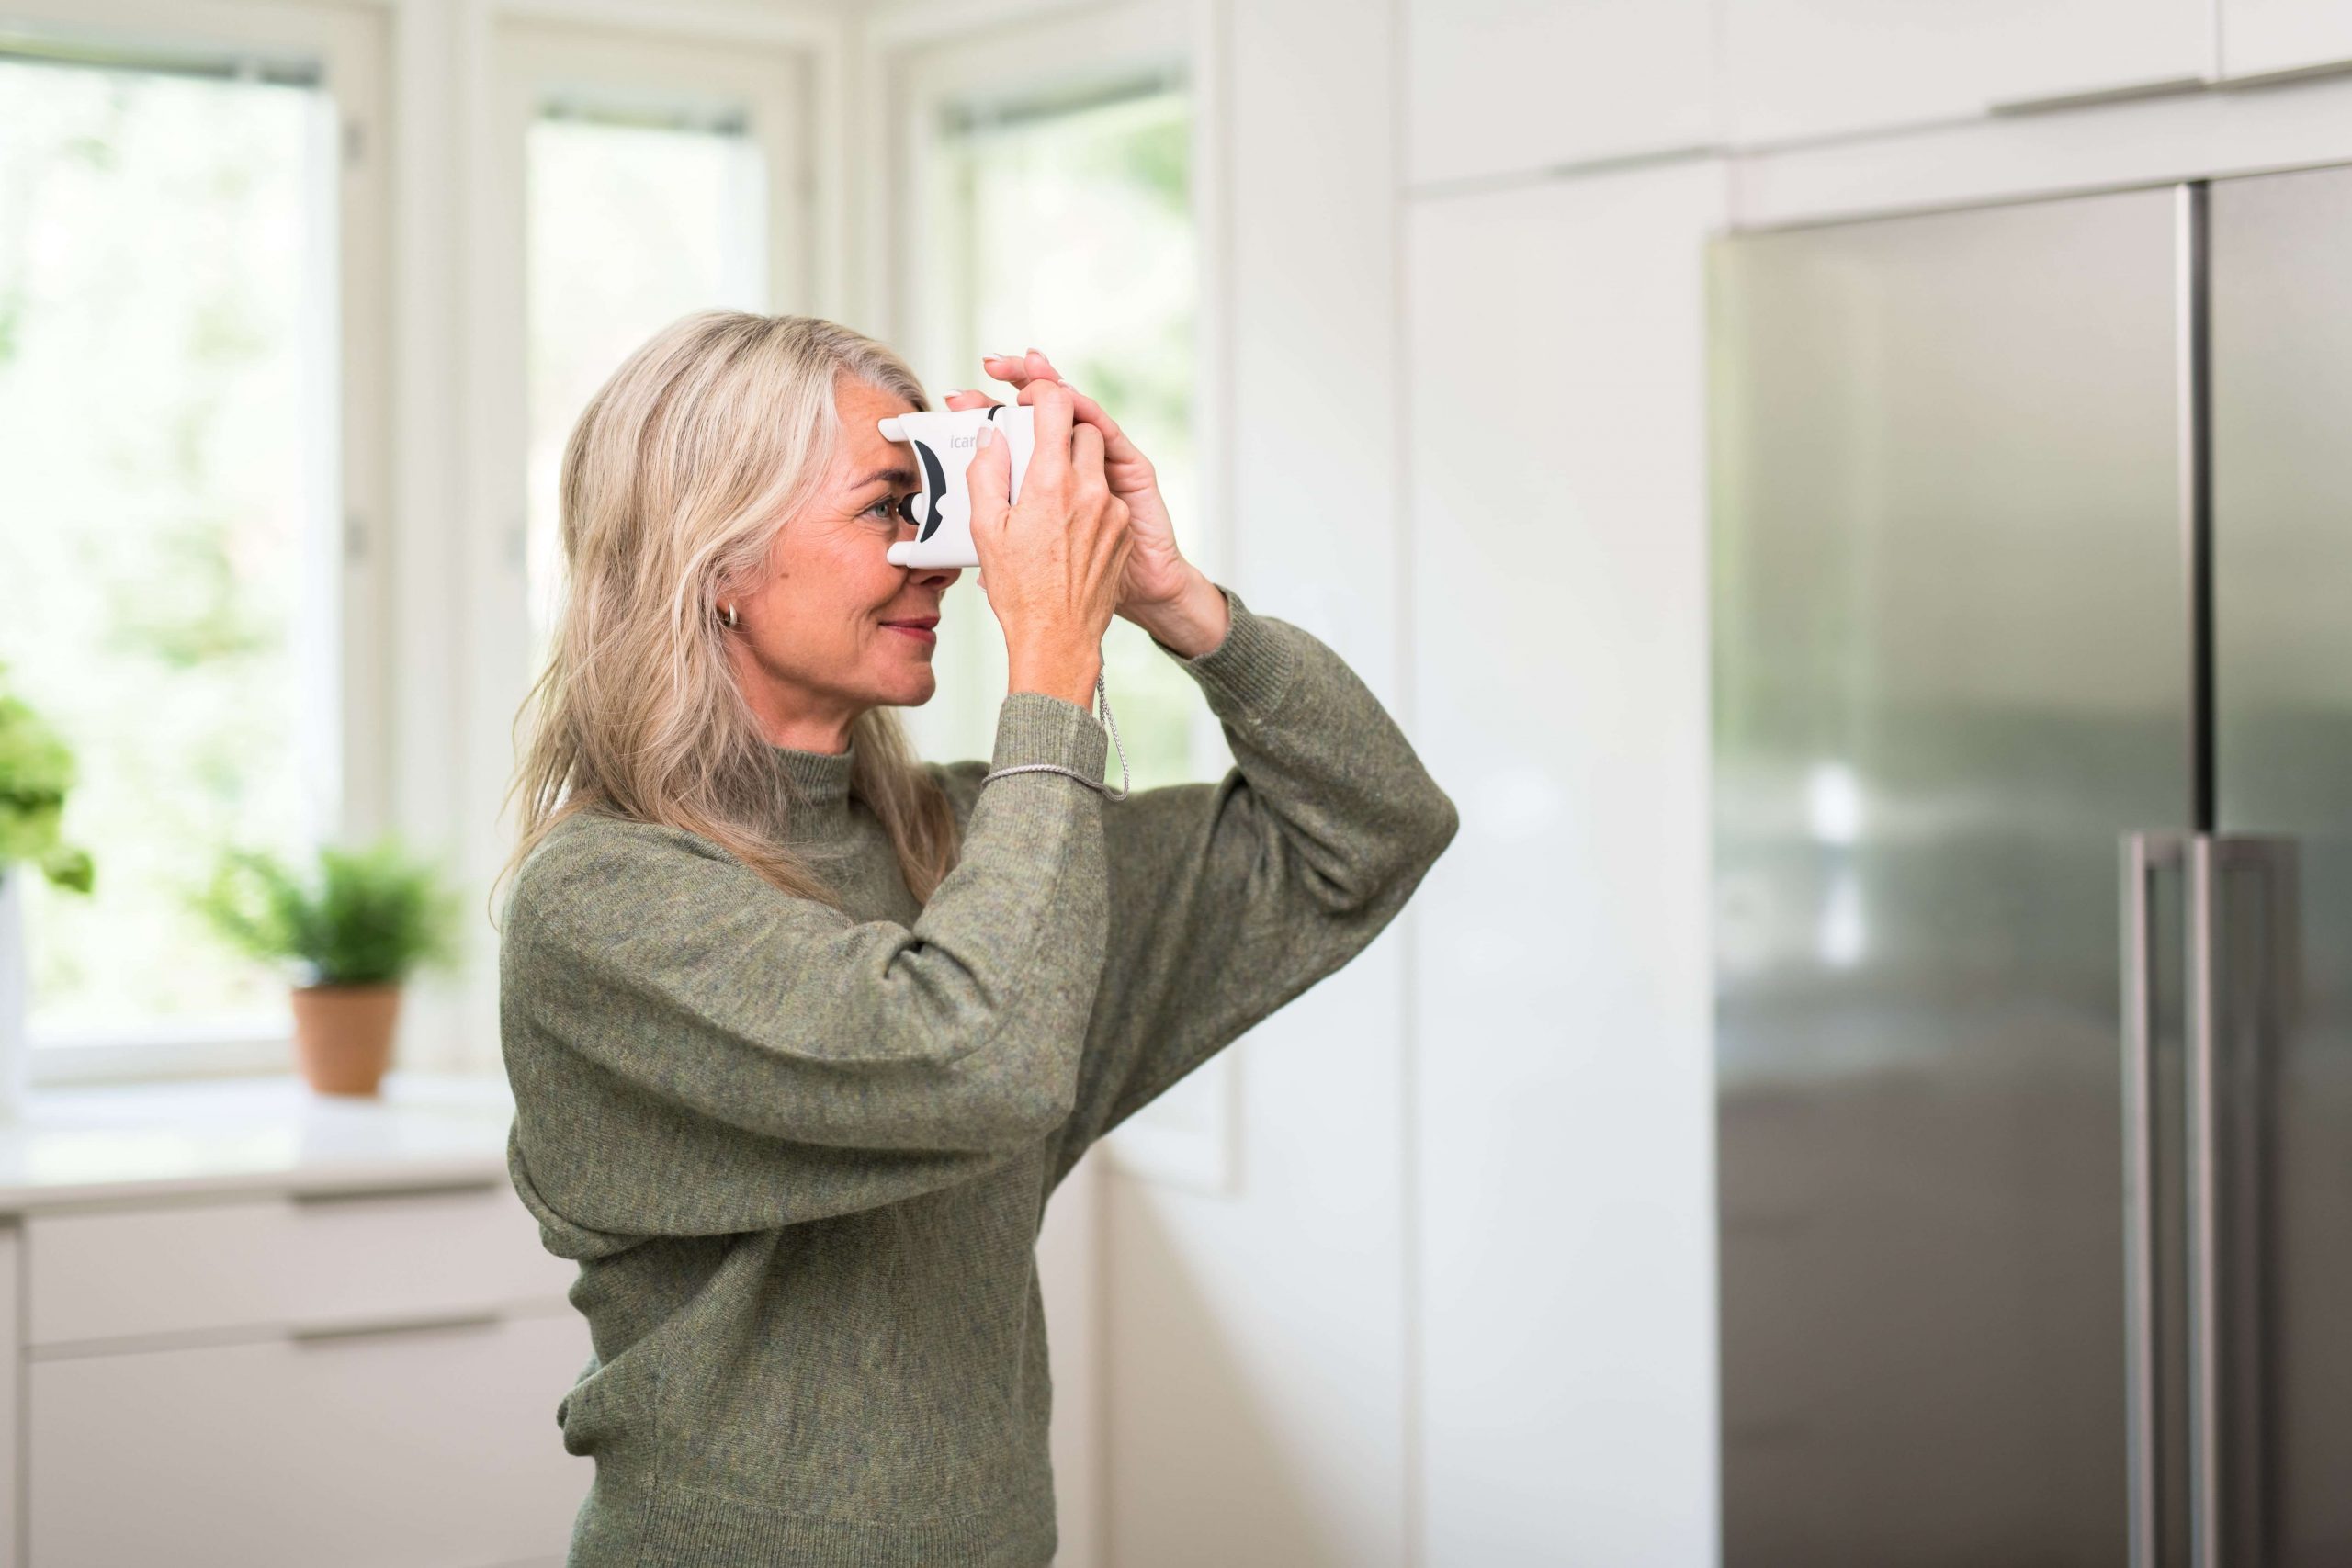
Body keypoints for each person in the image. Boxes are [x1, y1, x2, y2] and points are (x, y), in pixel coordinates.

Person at [492, 310, 1457, 1568]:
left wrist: (1179, 603)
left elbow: (1374, 831)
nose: (944, 560)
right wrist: (1052, 660)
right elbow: (979, 1057)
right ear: (718, 561)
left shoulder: (962, 850)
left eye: (940, 504)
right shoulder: (602, 903)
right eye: (891, 507)